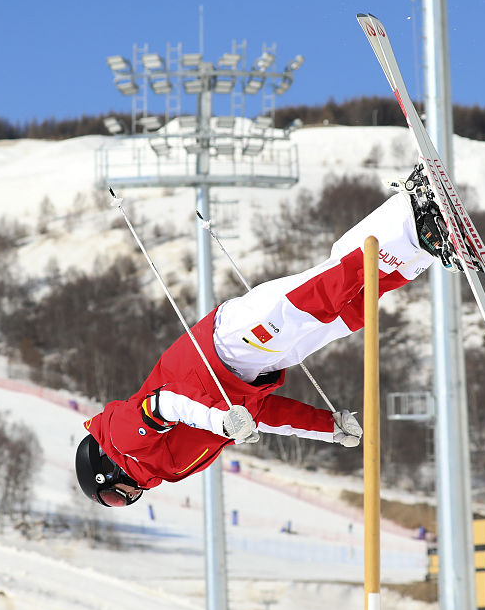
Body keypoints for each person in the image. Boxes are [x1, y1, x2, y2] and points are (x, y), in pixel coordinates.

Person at [75, 164, 455, 507]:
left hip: (223, 348)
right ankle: (422, 247)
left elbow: (166, 404)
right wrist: (327, 428)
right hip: (248, 376)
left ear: (106, 471)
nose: (125, 500)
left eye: (112, 497)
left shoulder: (121, 440)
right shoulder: (169, 468)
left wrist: (219, 421)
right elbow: (261, 416)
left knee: (312, 299)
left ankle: (411, 214)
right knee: (345, 314)